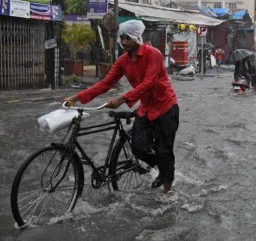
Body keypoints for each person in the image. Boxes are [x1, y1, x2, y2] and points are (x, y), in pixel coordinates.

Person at [63, 20, 179, 194]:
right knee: (138, 147)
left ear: (136, 37)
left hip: (166, 107)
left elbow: (148, 83)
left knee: (165, 149)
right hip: (146, 108)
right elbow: (105, 84)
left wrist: (122, 99)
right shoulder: (122, 61)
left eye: (127, 38)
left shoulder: (153, 54)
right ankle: (164, 169)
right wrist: (76, 98)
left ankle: (167, 193)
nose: (124, 42)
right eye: (122, 38)